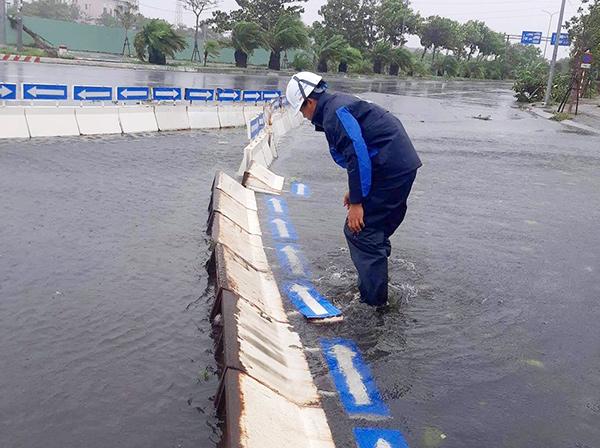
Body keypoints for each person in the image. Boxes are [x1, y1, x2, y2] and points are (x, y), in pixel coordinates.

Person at [285, 72, 422, 308]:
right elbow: (362, 151)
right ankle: (377, 279)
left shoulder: (334, 114)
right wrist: (356, 190)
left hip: (390, 169)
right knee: (374, 231)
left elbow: (357, 153)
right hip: (396, 165)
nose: (304, 117)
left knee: (360, 232)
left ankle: (375, 304)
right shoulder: (338, 103)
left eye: (301, 110)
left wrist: (358, 202)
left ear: (310, 102)